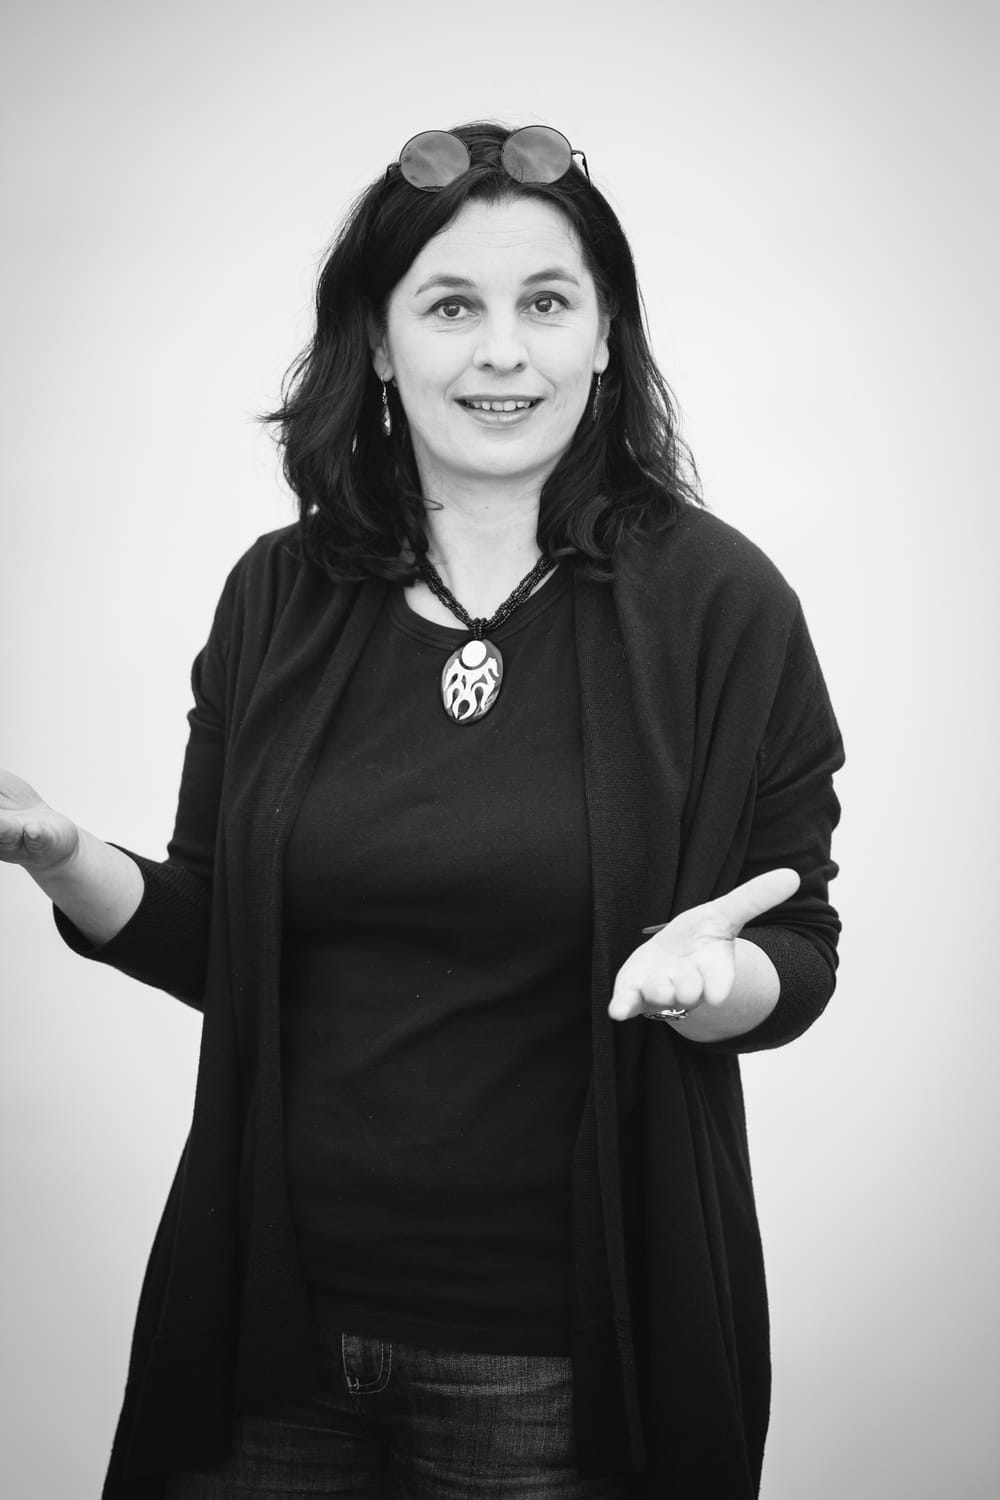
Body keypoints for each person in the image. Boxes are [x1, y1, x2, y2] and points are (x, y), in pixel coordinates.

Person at [0, 121, 844, 1499]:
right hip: (265, 1334)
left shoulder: (720, 605)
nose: (503, 351)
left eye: (547, 304)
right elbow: (222, 940)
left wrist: (711, 984)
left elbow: (796, 947)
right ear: (381, 345)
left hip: (556, 1368)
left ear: (606, 338)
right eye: (452, 307)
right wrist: (59, 851)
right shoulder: (279, 593)